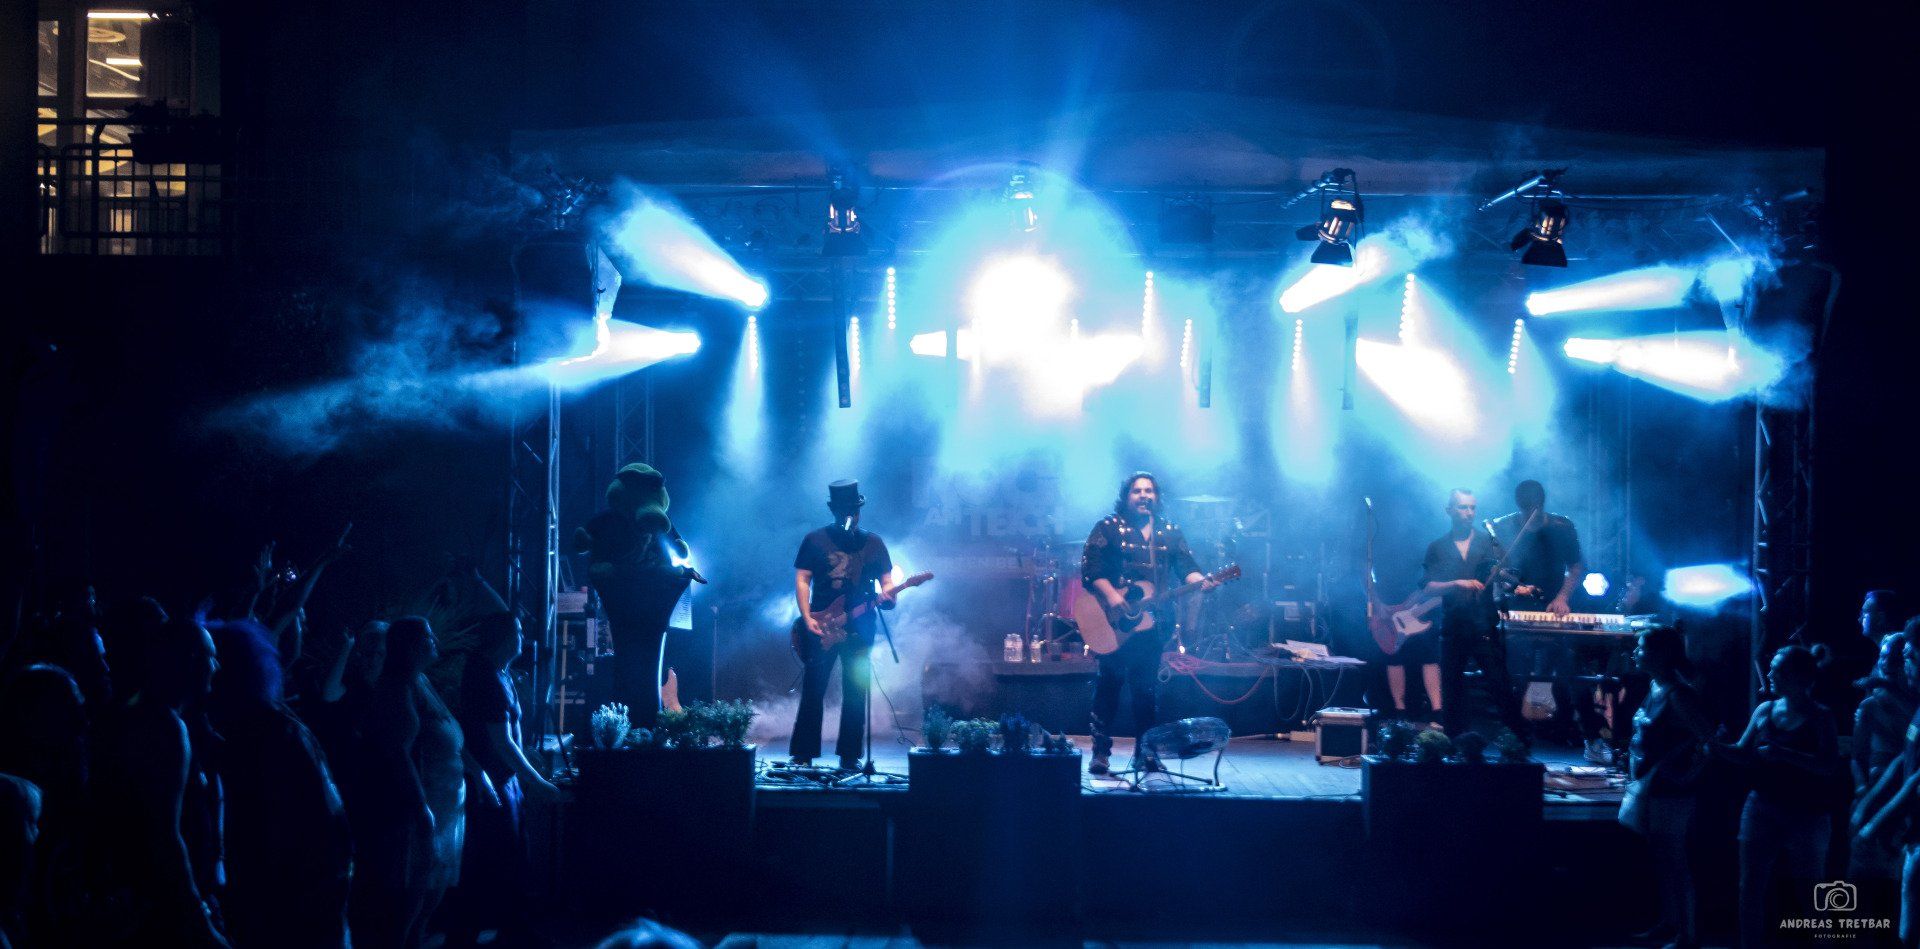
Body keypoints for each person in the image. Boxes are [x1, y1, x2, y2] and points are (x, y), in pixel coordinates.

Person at [206, 620, 352, 949]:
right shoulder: (270, 729)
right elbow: (326, 814)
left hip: (281, 894)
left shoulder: (264, 731)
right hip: (293, 893)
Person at [88, 618, 229, 947]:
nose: (217, 667)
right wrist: (200, 922)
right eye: (211, 656)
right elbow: (165, 834)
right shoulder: (164, 726)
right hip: (160, 911)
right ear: (191, 661)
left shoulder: (147, 715)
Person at [1080, 472, 1216, 775]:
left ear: (1157, 496)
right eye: (1137, 491)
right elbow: (1091, 569)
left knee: (1146, 690)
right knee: (1109, 684)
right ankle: (1100, 753)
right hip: (1115, 623)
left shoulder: (1169, 532)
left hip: (1154, 624)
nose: (1144, 495)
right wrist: (1112, 596)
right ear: (1126, 496)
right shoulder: (1108, 528)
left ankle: (1146, 753)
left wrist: (1201, 581)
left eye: (1150, 491)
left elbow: (1186, 567)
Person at [446, 612, 568, 948]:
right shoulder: (485, 677)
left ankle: (507, 929)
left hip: (504, 780)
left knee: (510, 854)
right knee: (492, 857)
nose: (522, 637)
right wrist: (537, 782)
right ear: (500, 637)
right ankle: (471, 935)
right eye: (517, 631)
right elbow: (502, 742)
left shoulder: (500, 673)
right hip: (492, 783)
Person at [354, 616, 463, 949]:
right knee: (408, 898)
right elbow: (398, 753)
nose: (435, 641)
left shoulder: (420, 680)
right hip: (419, 806)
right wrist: (421, 810)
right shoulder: (397, 687)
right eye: (428, 636)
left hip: (441, 803)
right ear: (412, 646)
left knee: (427, 895)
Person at [1730, 645, 1842, 949]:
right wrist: (1714, 746)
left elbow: (1829, 765)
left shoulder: (1821, 716)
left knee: (1810, 890)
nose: (1769, 674)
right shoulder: (1764, 710)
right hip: (1761, 806)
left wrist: (1785, 754)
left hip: (1807, 813)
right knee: (1750, 887)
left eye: (1777, 670)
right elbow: (1743, 753)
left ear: (1798, 676)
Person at [1489, 479, 1608, 762]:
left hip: (1555, 607)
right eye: (1525, 510)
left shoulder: (1561, 526)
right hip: (1517, 607)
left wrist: (1563, 596)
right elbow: (1497, 569)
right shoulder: (1504, 527)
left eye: (1534, 509)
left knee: (1573, 670)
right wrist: (1514, 587)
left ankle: (1592, 739)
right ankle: (1514, 741)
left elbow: (1576, 566)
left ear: (1541, 505)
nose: (1529, 516)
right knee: (1513, 672)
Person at [576, 463, 698, 729]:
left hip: (646, 583)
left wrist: (677, 547)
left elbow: (677, 543)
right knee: (632, 663)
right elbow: (587, 535)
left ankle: (638, 726)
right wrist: (585, 540)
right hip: (622, 580)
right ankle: (638, 725)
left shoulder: (655, 524)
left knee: (638, 664)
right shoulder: (610, 520)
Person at [789, 479, 896, 771]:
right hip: (822, 624)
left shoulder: (873, 543)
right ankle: (803, 753)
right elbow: (802, 579)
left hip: (860, 627)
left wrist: (889, 597)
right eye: (844, 511)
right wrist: (807, 616)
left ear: (859, 510)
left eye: (854, 510)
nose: (850, 516)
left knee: (855, 691)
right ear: (832, 509)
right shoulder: (815, 540)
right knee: (814, 688)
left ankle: (849, 756)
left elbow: (887, 583)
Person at [1620, 626, 1713, 949]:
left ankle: (1687, 935)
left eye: (1642, 647)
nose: (1636, 653)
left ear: (1661, 654)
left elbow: (1708, 740)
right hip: (1651, 786)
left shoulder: (1678, 695)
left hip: (1671, 793)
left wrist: (1687, 776)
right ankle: (1669, 922)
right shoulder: (1655, 687)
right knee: (1662, 858)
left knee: (1675, 860)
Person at [1424, 489, 1528, 742]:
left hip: (1484, 624)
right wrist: (1457, 583)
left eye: (1472, 507)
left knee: (1499, 683)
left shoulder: (1488, 543)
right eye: (1463, 507)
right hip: (1453, 625)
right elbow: (1428, 587)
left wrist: (1518, 587)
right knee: (1451, 685)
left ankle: (1518, 741)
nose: (1469, 513)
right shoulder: (1437, 547)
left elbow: (1506, 577)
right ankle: (1453, 741)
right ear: (1449, 511)